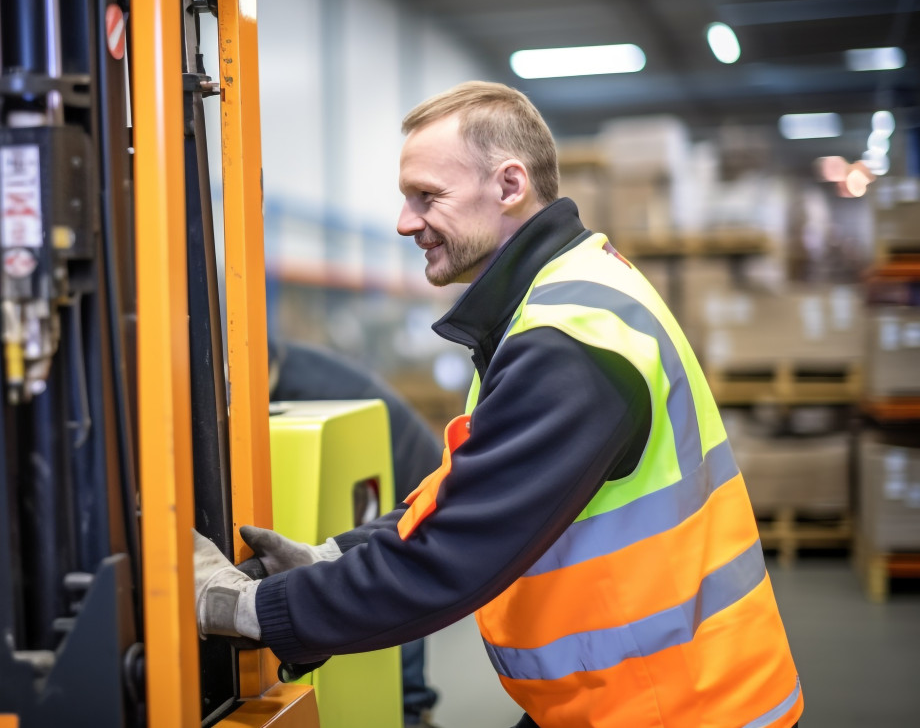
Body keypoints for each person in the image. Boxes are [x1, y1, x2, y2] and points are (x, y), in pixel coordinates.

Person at [194, 82, 803, 728]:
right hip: (624, 695)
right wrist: (332, 557)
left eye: (427, 196)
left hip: (673, 707)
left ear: (510, 186)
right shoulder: (556, 302)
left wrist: (246, 609)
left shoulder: (569, 340)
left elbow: (448, 559)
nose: (405, 221)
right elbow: (464, 492)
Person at [266, 337, 443, 725]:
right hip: (388, 477)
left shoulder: (306, 396)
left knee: (388, 580)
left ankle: (411, 708)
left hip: (409, 481)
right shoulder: (292, 370)